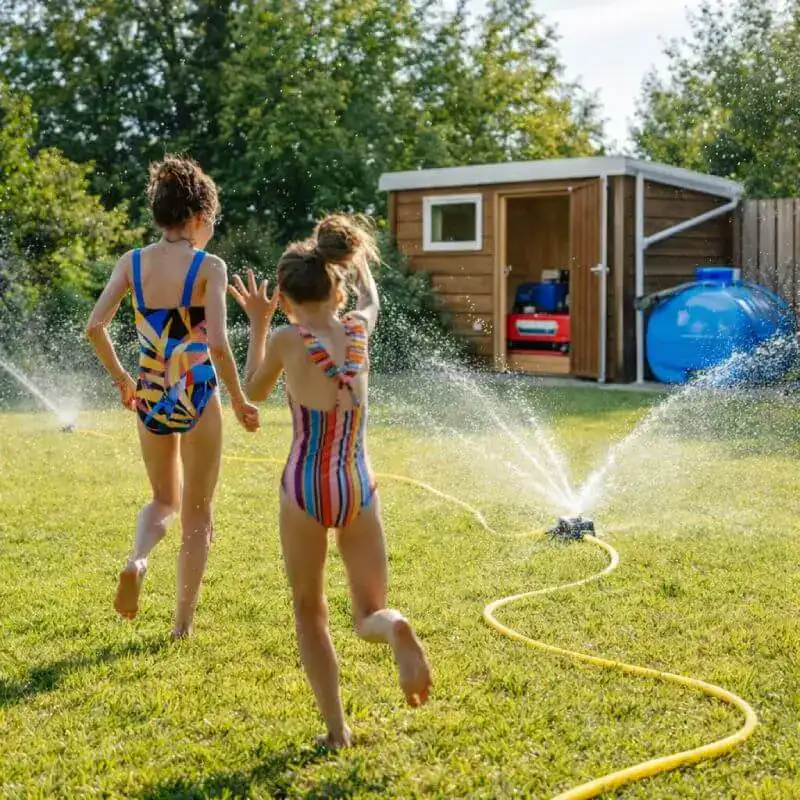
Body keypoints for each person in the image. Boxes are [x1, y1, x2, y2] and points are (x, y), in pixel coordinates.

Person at [229, 214, 432, 749]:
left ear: (284, 298)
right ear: (336, 287)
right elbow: (373, 300)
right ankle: (394, 628)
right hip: (357, 484)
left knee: (310, 609)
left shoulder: (285, 340)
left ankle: (338, 731)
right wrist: (359, 265)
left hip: (304, 487)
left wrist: (256, 321)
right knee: (367, 610)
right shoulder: (359, 327)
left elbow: (253, 391)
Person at [85, 155, 259, 638]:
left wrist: (123, 379)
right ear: (199, 218)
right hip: (198, 392)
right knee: (199, 513)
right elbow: (220, 345)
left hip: (151, 392)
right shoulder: (210, 267)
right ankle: (181, 626)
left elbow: (95, 328)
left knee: (163, 499)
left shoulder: (132, 263)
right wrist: (241, 401)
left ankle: (137, 560)